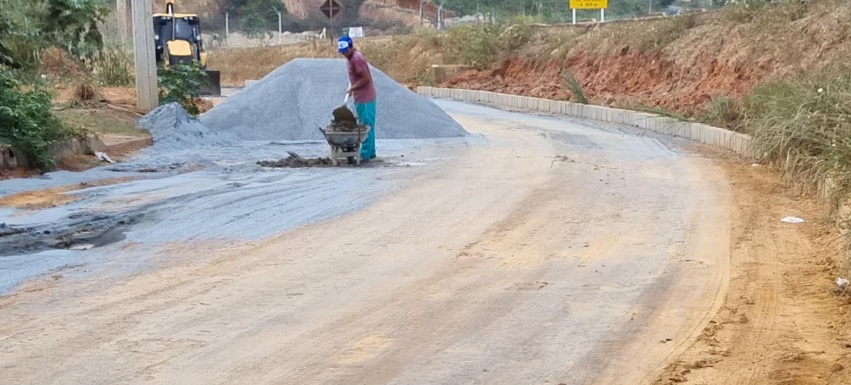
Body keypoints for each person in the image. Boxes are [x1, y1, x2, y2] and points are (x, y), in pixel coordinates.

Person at [338, 35, 377, 161]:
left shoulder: (356, 59)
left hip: (366, 98)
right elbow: (355, 77)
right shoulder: (350, 58)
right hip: (360, 97)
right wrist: (352, 88)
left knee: (366, 126)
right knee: (367, 125)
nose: (344, 54)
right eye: (342, 52)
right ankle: (371, 153)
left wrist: (352, 88)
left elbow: (366, 79)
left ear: (351, 47)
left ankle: (365, 155)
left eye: (345, 51)